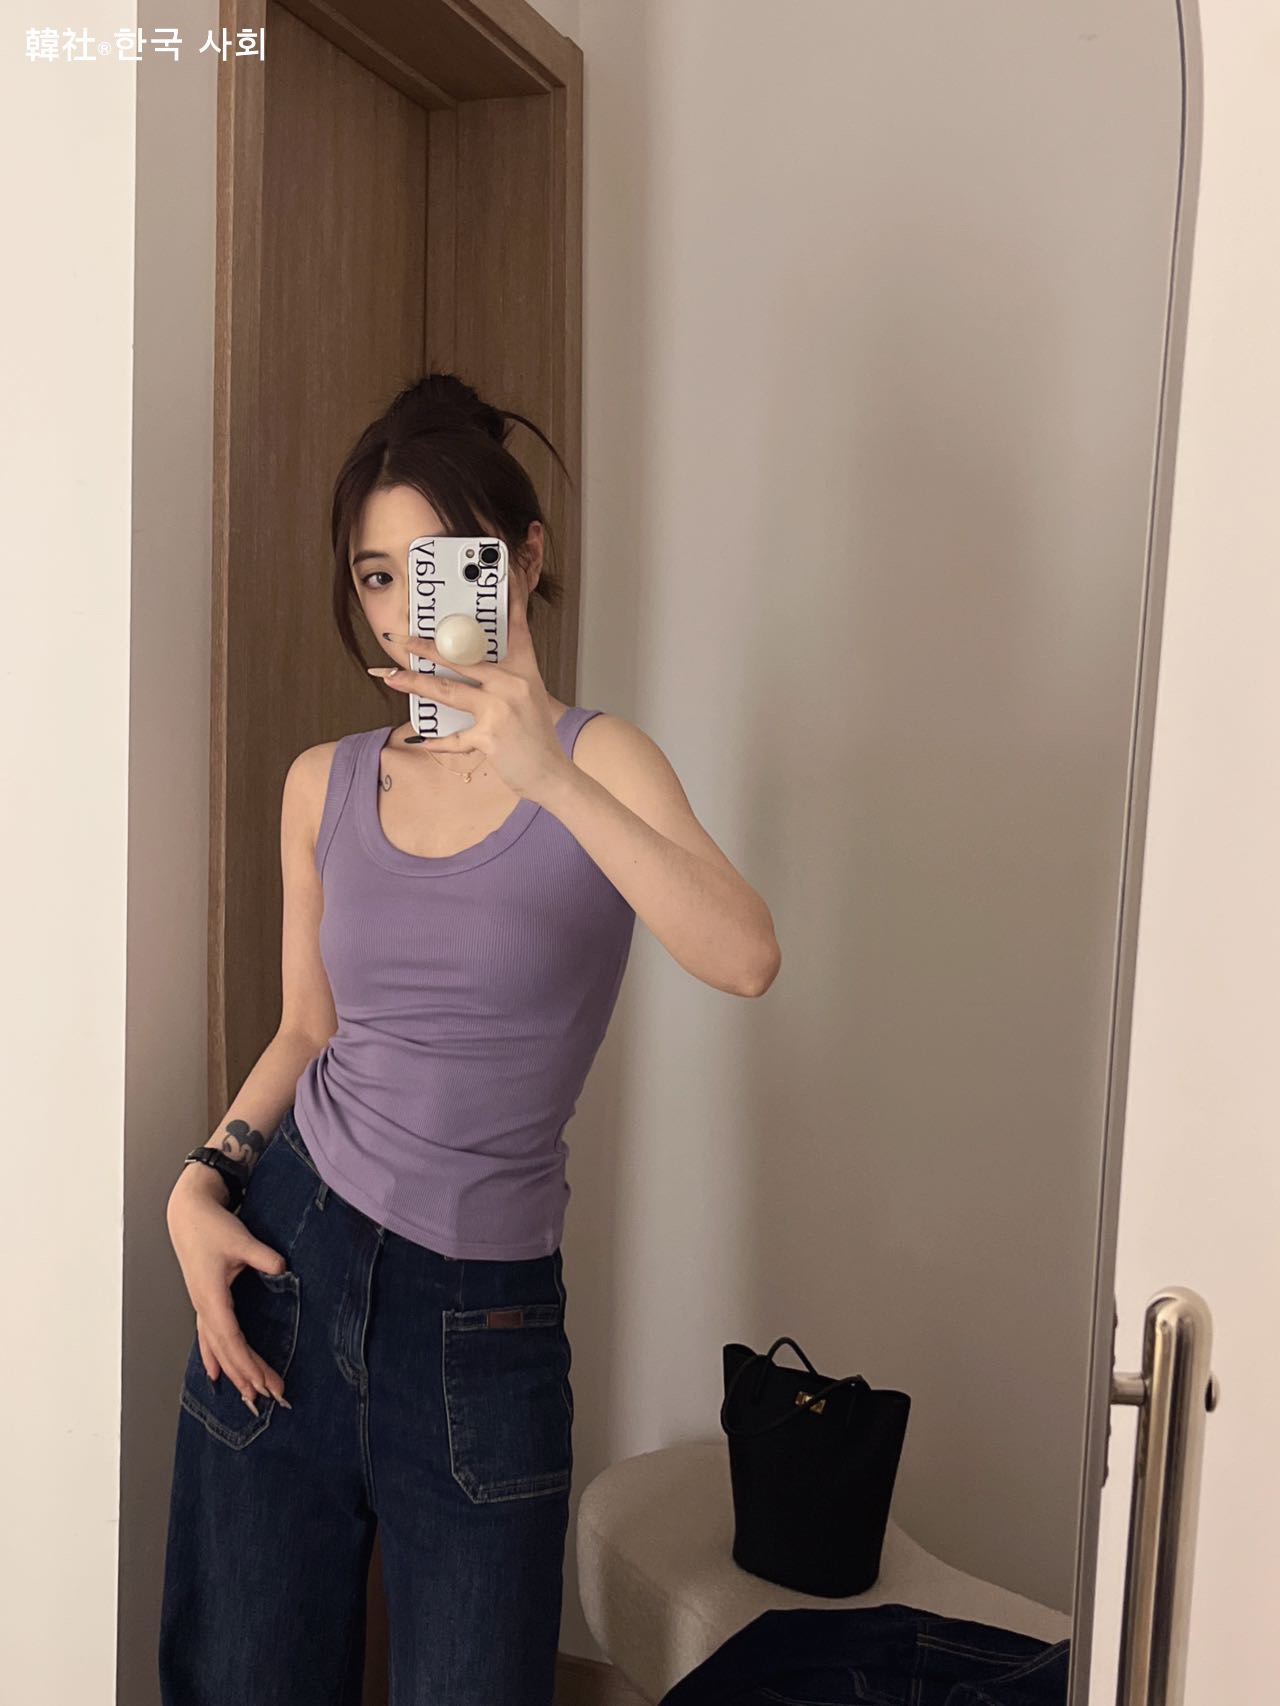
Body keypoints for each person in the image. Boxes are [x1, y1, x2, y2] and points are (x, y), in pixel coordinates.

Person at [158, 371, 781, 1706]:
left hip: (482, 1319)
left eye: (442, 568)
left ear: (524, 562)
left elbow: (745, 955)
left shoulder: (602, 764)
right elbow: (307, 1027)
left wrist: (540, 765)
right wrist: (200, 1181)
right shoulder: (324, 783)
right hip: (289, 1259)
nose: (407, 611)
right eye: (378, 576)